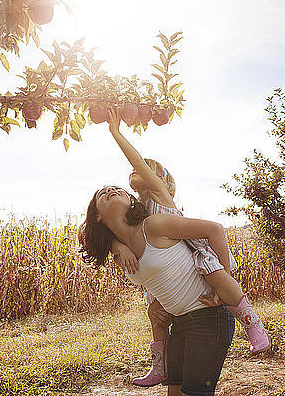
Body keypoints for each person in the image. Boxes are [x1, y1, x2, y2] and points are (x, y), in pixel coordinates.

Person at [106, 107, 272, 387]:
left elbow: (213, 231)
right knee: (155, 315)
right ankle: (160, 365)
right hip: (177, 294)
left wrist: (116, 133)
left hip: (201, 253)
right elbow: (109, 231)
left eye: (144, 168)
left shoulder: (159, 195)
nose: (134, 169)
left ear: (156, 177)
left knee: (219, 279)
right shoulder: (138, 215)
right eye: (132, 169)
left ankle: (253, 325)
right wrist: (115, 246)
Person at [78, 184, 235, 396]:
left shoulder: (153, 225)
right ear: (97, 216)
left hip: (209, 317)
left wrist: (223, 282)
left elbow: (214, 229)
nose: (111, 190)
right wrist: (119, 247)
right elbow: (161, 278)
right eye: (102, 193)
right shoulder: (120, 253)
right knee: (174, 393)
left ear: (131, 200)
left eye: (116, 188)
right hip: (179, 324)